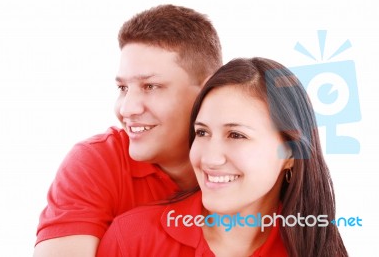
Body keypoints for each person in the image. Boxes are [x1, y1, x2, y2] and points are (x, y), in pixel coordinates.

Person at [96, 58, 348, 257]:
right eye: (202, 132)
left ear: (291, 154)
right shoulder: (132, 239)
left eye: (236, 135)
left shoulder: (318, 248)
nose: (210, 158)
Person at [33, 4, 222, 256]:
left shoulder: (251, 162)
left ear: (209, 91)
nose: (126, 108)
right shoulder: (97, 161)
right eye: (123, 88)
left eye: (151, 86)